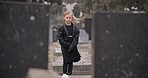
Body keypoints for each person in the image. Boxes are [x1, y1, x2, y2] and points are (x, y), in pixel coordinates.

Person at [58, 11, 81, 77]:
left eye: (70, 18)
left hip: (72, 46)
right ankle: (65, 73)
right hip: (65, 47)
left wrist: (72, 45)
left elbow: (76, 38)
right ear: (64, 18)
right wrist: (65, 44)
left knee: (71, 59)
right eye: (67, 18)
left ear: (72, 19)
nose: (68, 19)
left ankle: (70, 72)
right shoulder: (61, 28)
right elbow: (60, 38)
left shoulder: (75, 28)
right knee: (65, 59)